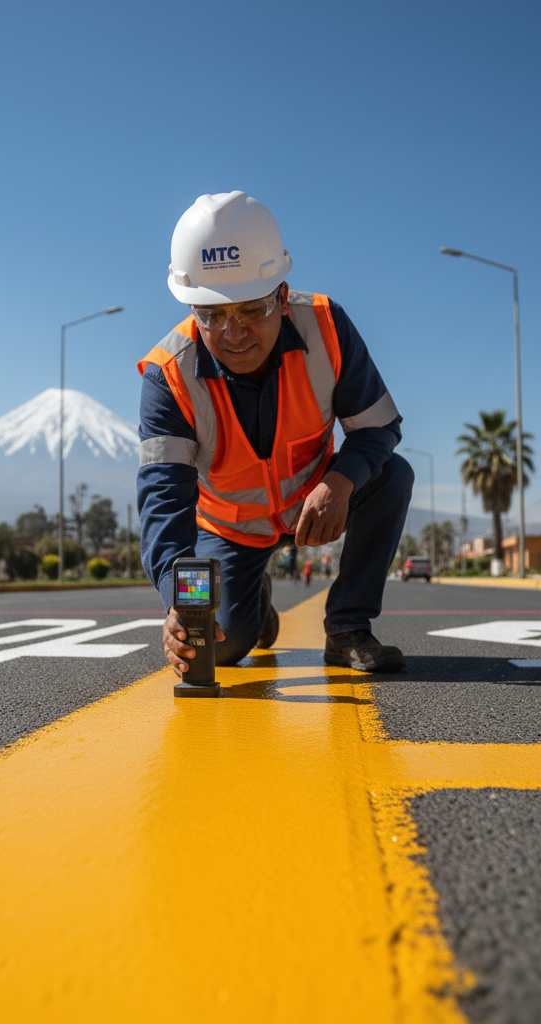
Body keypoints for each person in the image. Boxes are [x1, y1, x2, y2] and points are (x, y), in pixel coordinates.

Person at [138, 191, 412, 675]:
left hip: (317, 504)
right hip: (232, 530)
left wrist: (341, 481)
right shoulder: (169, 375)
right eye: (212, 315)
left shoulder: (326, 327)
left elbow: (378, 427)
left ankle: (348, 628)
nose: (234, 332)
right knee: (213, 647)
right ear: (191, 308)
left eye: (250, 310)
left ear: (282, 298)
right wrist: (178, 605)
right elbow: (164, 500)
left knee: (392, 475)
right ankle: (255, 604)